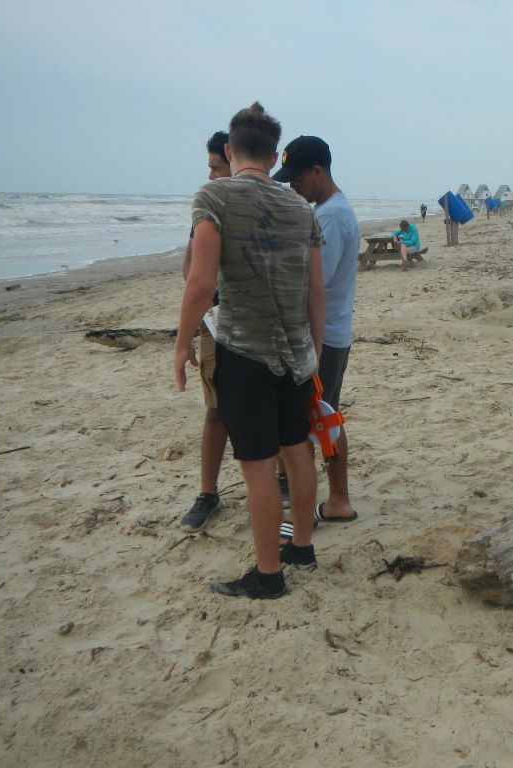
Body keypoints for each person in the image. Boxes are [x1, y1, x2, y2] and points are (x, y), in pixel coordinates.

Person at [174, 102, 326, 599]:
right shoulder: (301, 208)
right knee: (297, 448)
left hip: (244, 350)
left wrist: (180, 344)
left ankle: (267, 576)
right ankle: (301, 548)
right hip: (297, 355)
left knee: (259, 463)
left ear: (228, 150)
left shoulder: (213, 196)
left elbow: (200, 282)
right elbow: (315, 292)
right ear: (270, 151)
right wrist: (314, 353)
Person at [272, 135, 359, 526]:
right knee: (326, 416)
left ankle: (317, 509)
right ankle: (338, 501)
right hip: (331, 333)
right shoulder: (334, 210)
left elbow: (313, 286)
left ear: (318, 172)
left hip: (320, 338)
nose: (293, 186)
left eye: (297, 178)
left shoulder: (329, 217)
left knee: (307, 424)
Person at [178, 131, 231, 533]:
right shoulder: (208, 210)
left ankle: (282, 480)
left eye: (216, 167)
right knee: (216, 411)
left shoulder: (261, 206)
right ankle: (208, 492)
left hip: (258, 325)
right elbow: (190, 272)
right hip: (216, 325)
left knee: (273, 412)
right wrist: (196, 326)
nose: (211, 175)